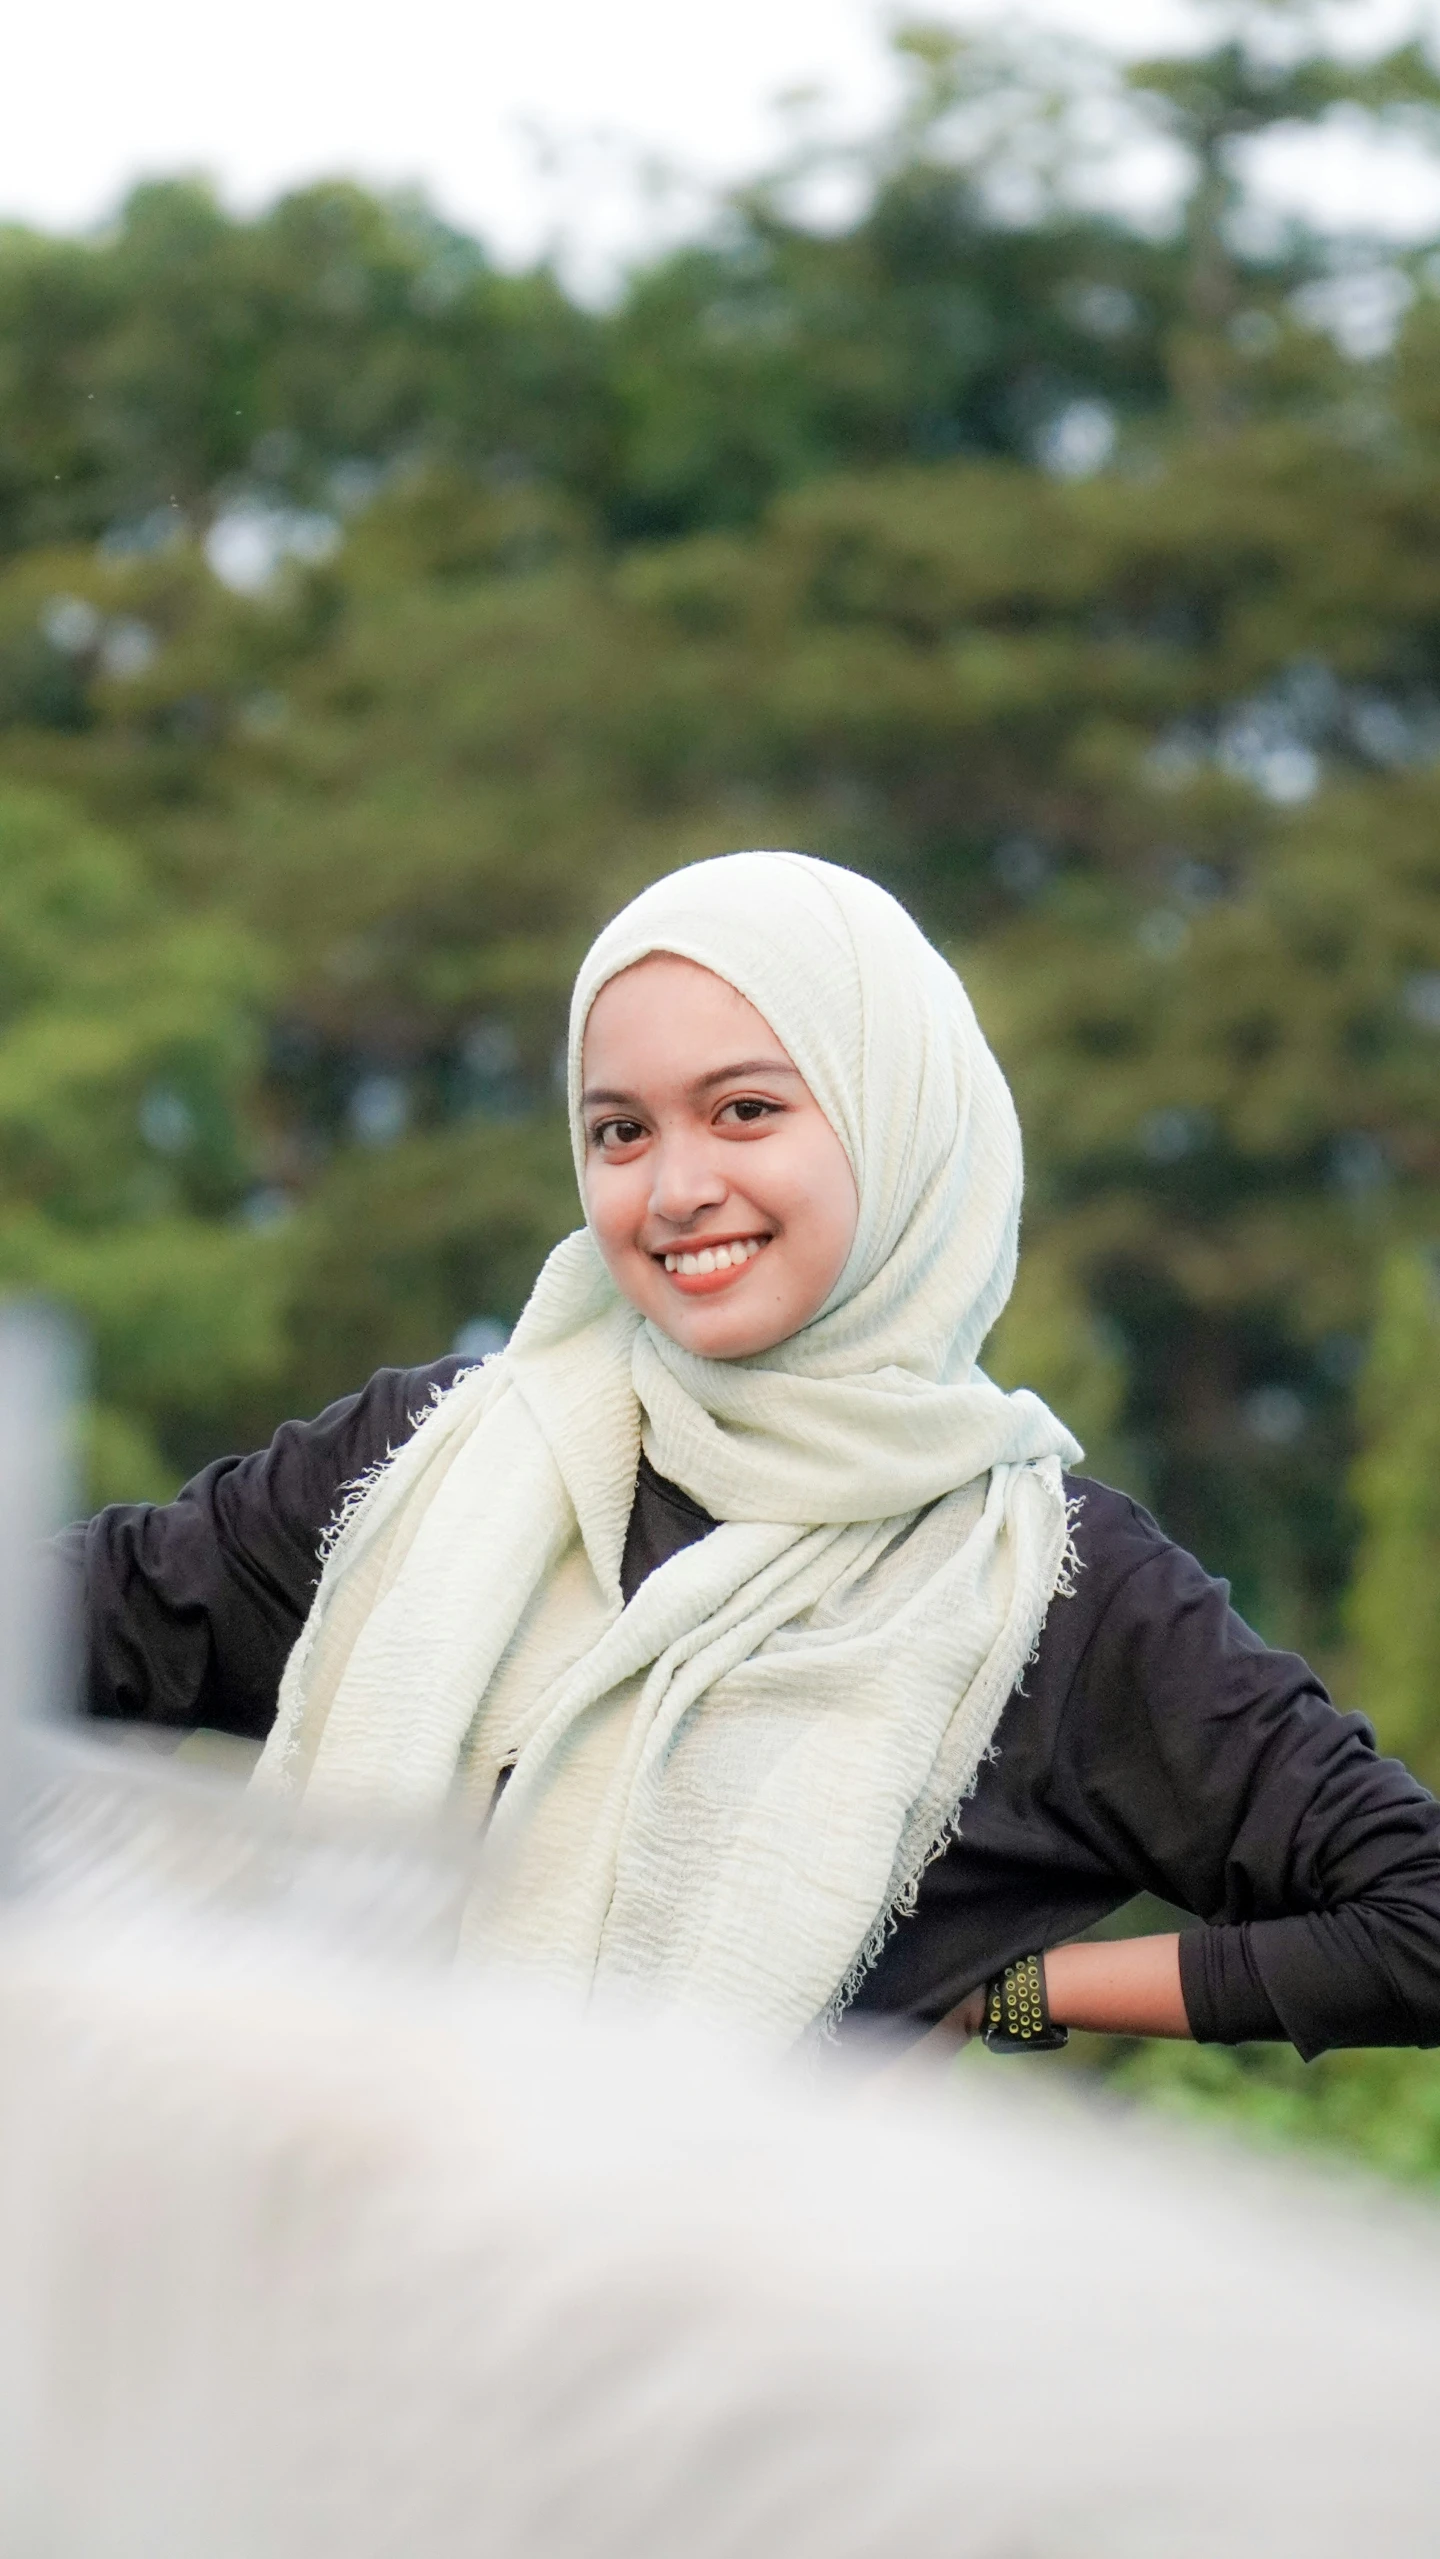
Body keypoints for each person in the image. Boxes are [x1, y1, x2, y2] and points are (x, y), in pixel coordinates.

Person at [63, 852, 1440, 2053]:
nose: (674, 1190)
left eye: (746, 1110)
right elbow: (77, 1616)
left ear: (891, 1119)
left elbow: (1414, 1917)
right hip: (299, 2293)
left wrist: (1011, 1991)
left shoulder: (1050, 1593)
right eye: (620, 1130)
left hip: (714, 2337)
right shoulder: (432, 1459)